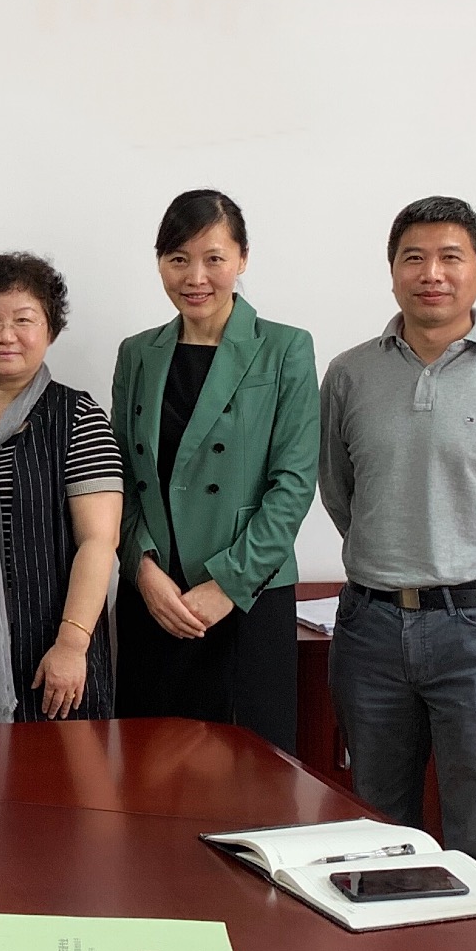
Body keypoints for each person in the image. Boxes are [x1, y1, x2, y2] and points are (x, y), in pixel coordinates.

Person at [319, 196, 476, 884]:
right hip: (369, 628)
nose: (431, 273)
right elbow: (340, 491)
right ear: (392, 271)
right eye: (414, 258)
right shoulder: (348, 374)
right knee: (371, 830)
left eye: (450, 257)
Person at [111, 190, 319, 751]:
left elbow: (294, 483)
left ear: (242, 258)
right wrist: (142, 568)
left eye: (214, 258)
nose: (195, 276)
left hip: (246, 598)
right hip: (154, 598)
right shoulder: (137, 353)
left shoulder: (284, 348)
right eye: (178, 259)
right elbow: (121, 475)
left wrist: (228, 584)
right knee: (147, 773)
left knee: (249, 775)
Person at [0, 253, 123, 725]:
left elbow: (99, 542)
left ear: (50, 329)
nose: (6, 334)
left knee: (55, 771)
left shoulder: (77, 417)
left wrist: (71, 644)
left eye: (23, 319)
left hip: (51, 648)